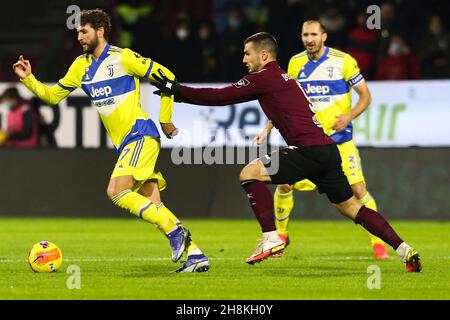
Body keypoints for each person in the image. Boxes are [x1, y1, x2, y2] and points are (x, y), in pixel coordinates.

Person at [152, 31, 422, 272]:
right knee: (351, 206)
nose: (244, 59)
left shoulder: (263, 77)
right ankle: (405, 250)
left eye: (248, 54)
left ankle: (271, 237)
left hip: (307, 150)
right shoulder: (283, 77)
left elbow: (220, 97)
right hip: (327, 150)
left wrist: (176, 91)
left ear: (264, 55)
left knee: (249, 173)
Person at [12, 9, 209, 273]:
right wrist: (29, 79)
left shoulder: (124, 58)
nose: (79, 36)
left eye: (84, 31)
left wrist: (165, 119)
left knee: (116, 191)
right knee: (155, 206)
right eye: (77, 32)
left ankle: (175, 231)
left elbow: (167, 77)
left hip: (140, 134)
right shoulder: (80, 66)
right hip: (125, 144)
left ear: (100, 31)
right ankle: (196, 255)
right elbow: (53, 96)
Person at [254, 20, 389, 260]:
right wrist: (268, 127)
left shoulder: (343, 61)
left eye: (314, 34)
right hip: (308, 141)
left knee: (358, 190)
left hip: (339, 141)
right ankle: (282, 237)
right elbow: (283, 100)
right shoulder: (295, 63)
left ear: (324, 36)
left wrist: (349, 116)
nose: (309, 39)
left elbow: (366, 96)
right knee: (285, 185)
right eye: (305, 34)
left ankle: (378, 242)